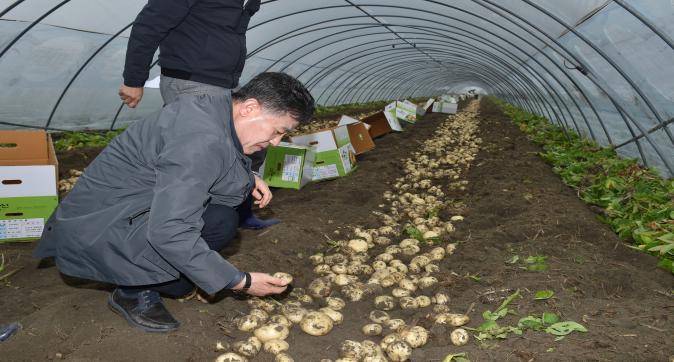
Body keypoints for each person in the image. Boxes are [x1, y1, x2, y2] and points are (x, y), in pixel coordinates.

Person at [35, 72, 315, 333]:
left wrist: (249, 174)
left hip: (117, 213)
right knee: (216, 226)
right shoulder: (199, 138)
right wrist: (241, 281)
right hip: (96, 230)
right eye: (278, 130)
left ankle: (150, 273)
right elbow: (170, 229)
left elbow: (216, 164)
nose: (277, 142)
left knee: (215, 223)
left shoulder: (215, 108)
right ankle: (131, 292)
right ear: (250, 107)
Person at [119, 0, 276, 230]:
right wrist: (134, 79)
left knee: (247, 139)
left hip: (223, 81)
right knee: (201, 153)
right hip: (191, 77)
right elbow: (150, 23)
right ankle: (181, 224)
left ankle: (237, 212)